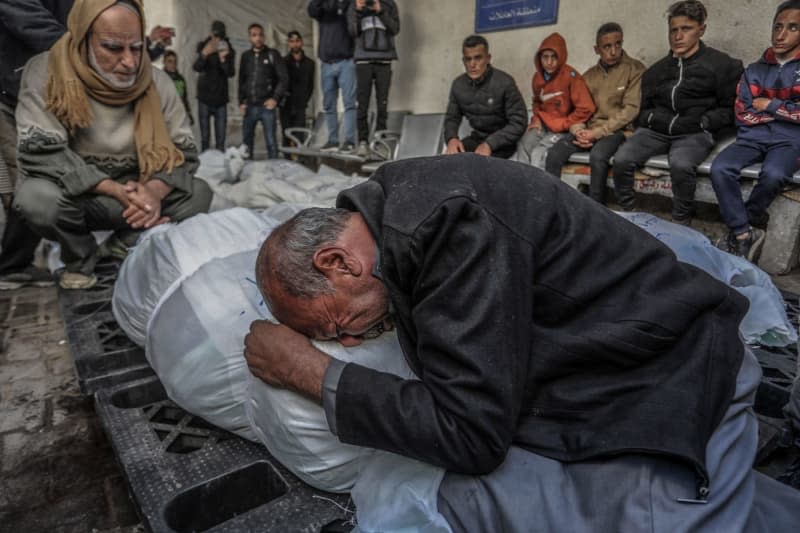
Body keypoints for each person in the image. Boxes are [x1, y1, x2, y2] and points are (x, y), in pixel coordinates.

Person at [245, 154, 800, 530]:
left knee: (651, 516)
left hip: (672, 374)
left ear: (338, 262)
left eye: (335, 325)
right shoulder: (396, 216)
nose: (346, 339)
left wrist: (311, 371)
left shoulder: (443, 225)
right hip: (608, 370)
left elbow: (469, 432)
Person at [12, 0, 212, 289]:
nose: (130, 62)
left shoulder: (158, 82)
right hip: (82, 198)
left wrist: (154, 191)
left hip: (136, 198)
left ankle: (118, 249)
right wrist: (112, 189)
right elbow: (42, 153)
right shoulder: (46, 72)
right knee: (35, 198)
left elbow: (185, 153)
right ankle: (80, 255)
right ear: (83, 39)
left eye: (137, 47)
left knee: (199, 193)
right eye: (113, 48)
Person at [611, 0, 742, 224]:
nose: (678, 36)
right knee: (622, 159)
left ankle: (681, 222)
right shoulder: (656, 71)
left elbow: (731, 109)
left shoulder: (722, 66)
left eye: (686, 29)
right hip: (657, 131)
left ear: (701, 30)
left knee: (681, 165)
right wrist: (649, 119)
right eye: (674, 30)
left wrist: (705, 122)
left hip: (694, 132)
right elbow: (645, 109)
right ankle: (628, 214)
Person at [710, 0, 800, 261]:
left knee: (773, 174)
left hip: (790, 142)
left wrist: (770, 105)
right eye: (777, 26)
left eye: (792, 28)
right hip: (752, 138)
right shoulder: (754, 70)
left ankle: (741, 225)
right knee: (720, 168)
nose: (781, 34)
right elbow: (742, 112)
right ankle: (743, 233)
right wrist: (785, 111)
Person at [0, 0, 73, 290]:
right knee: (28, 180)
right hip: (12, 92)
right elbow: (25, 18)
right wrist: (79, 48)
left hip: (41, 91)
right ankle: (11, 266)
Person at [543, 23, 645, 204]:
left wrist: (596, 133)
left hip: (616, 130)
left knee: (598, 157)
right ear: (597, 49)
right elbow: (577, 110)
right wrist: (578, 130)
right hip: (588, 130)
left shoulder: (634, 69)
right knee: (555, 154)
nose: (613, 51)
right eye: (607, 47)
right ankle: (554, 204)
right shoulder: (589, 76)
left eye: (618, 44)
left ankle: (596, 209)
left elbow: (630, 110)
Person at [513, 32, 595, 171]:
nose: (549, 62)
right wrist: (537, 118)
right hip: (544, 125)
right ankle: (524, 184)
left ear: (561, 57)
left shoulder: (571, 76)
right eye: (545, 57)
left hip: (565, 127)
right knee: (524, 144)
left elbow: (586, 108)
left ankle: (539, 189)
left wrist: (564, 124)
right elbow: (537, 102)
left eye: (554, 57)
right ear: (540, 58)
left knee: (539, 152)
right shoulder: (537, 78)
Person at [444, 35, 527, 159]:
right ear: (463, 61)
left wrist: (490, 144)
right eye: (468, 59)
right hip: (477, 139)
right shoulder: (458, 85)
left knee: (482, 169)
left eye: (478, 58)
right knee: (448, 162)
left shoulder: (504, 82)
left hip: (503, 144)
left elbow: (518, 123)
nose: (472, 64)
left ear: (488, 58)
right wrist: (452, 139)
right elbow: (452, 118)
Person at [346, 0, 400, 157]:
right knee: (362, 103)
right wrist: (356, 10)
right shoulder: (356, 4)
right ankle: (363, 142)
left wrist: (381, 10)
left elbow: (395, 29)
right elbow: (352, 31)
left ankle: (379, 141)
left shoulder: (389, 4)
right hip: (363, 61)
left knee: (382, 104)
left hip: (384, 60)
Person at [308, 0, 357, 153]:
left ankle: (349, 141)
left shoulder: (348, 4)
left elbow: (354, 21)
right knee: (329, 105)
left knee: (349, 103)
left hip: (346, 62)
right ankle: (333, 140)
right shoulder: (323, 7)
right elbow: (312, 10)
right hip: (327, 63)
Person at [238, 23, 288, 160]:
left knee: (271, 143)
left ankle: (274, 174)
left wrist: (275, 99)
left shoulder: (273, 54)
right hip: (249, 106)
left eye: (260, 35)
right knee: (246, 144)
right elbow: (241, 80)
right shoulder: (245, 56)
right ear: (249, 37)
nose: (258, 38)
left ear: (264, 37)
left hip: (267, 106)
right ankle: (247, 176)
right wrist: (241, 102)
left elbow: (284, 79)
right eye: (254, 35)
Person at [193, 20, 235, 152]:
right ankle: (204, 169)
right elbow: (196, 67)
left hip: (221, 99)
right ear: (211, 34)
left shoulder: (229, 49)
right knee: (205, 138)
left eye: (220, 37)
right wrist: (204, 54)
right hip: (204, 98)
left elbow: (231, 73)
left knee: (220, 140)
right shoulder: (203, 46)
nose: (217, 40)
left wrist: (223, 59)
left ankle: (220, 169)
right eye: (215, 36)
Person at [280, 30, 315, 150]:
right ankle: (286, 161)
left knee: (300, 136)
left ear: (302, 42)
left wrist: (304, 100)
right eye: (292, 41)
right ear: (288, 43)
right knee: (286, 135)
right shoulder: (283, 62)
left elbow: (310, 85)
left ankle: (300, 162)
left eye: (297, 41)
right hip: (286, 105)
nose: (295, 44)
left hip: (300, 105)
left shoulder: (310, 63)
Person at [162, 50, 193, 125]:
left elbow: (184, 98)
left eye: (175, 61)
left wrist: (188, 113)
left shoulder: (180, 79)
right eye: (170, 61)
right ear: (164, 62)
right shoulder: (160, 79)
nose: (173, 64)